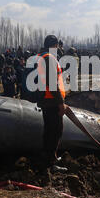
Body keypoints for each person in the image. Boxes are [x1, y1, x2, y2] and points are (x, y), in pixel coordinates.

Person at [36, 35, 68, 168]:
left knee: (50, 130)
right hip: (52, 101)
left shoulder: (42, 57)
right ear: (54, 45)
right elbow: (52, 83)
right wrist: (61, 103)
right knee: (55, 131)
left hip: (47, 100)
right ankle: (51, 162)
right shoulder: (49, 58)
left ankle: (48, 158)